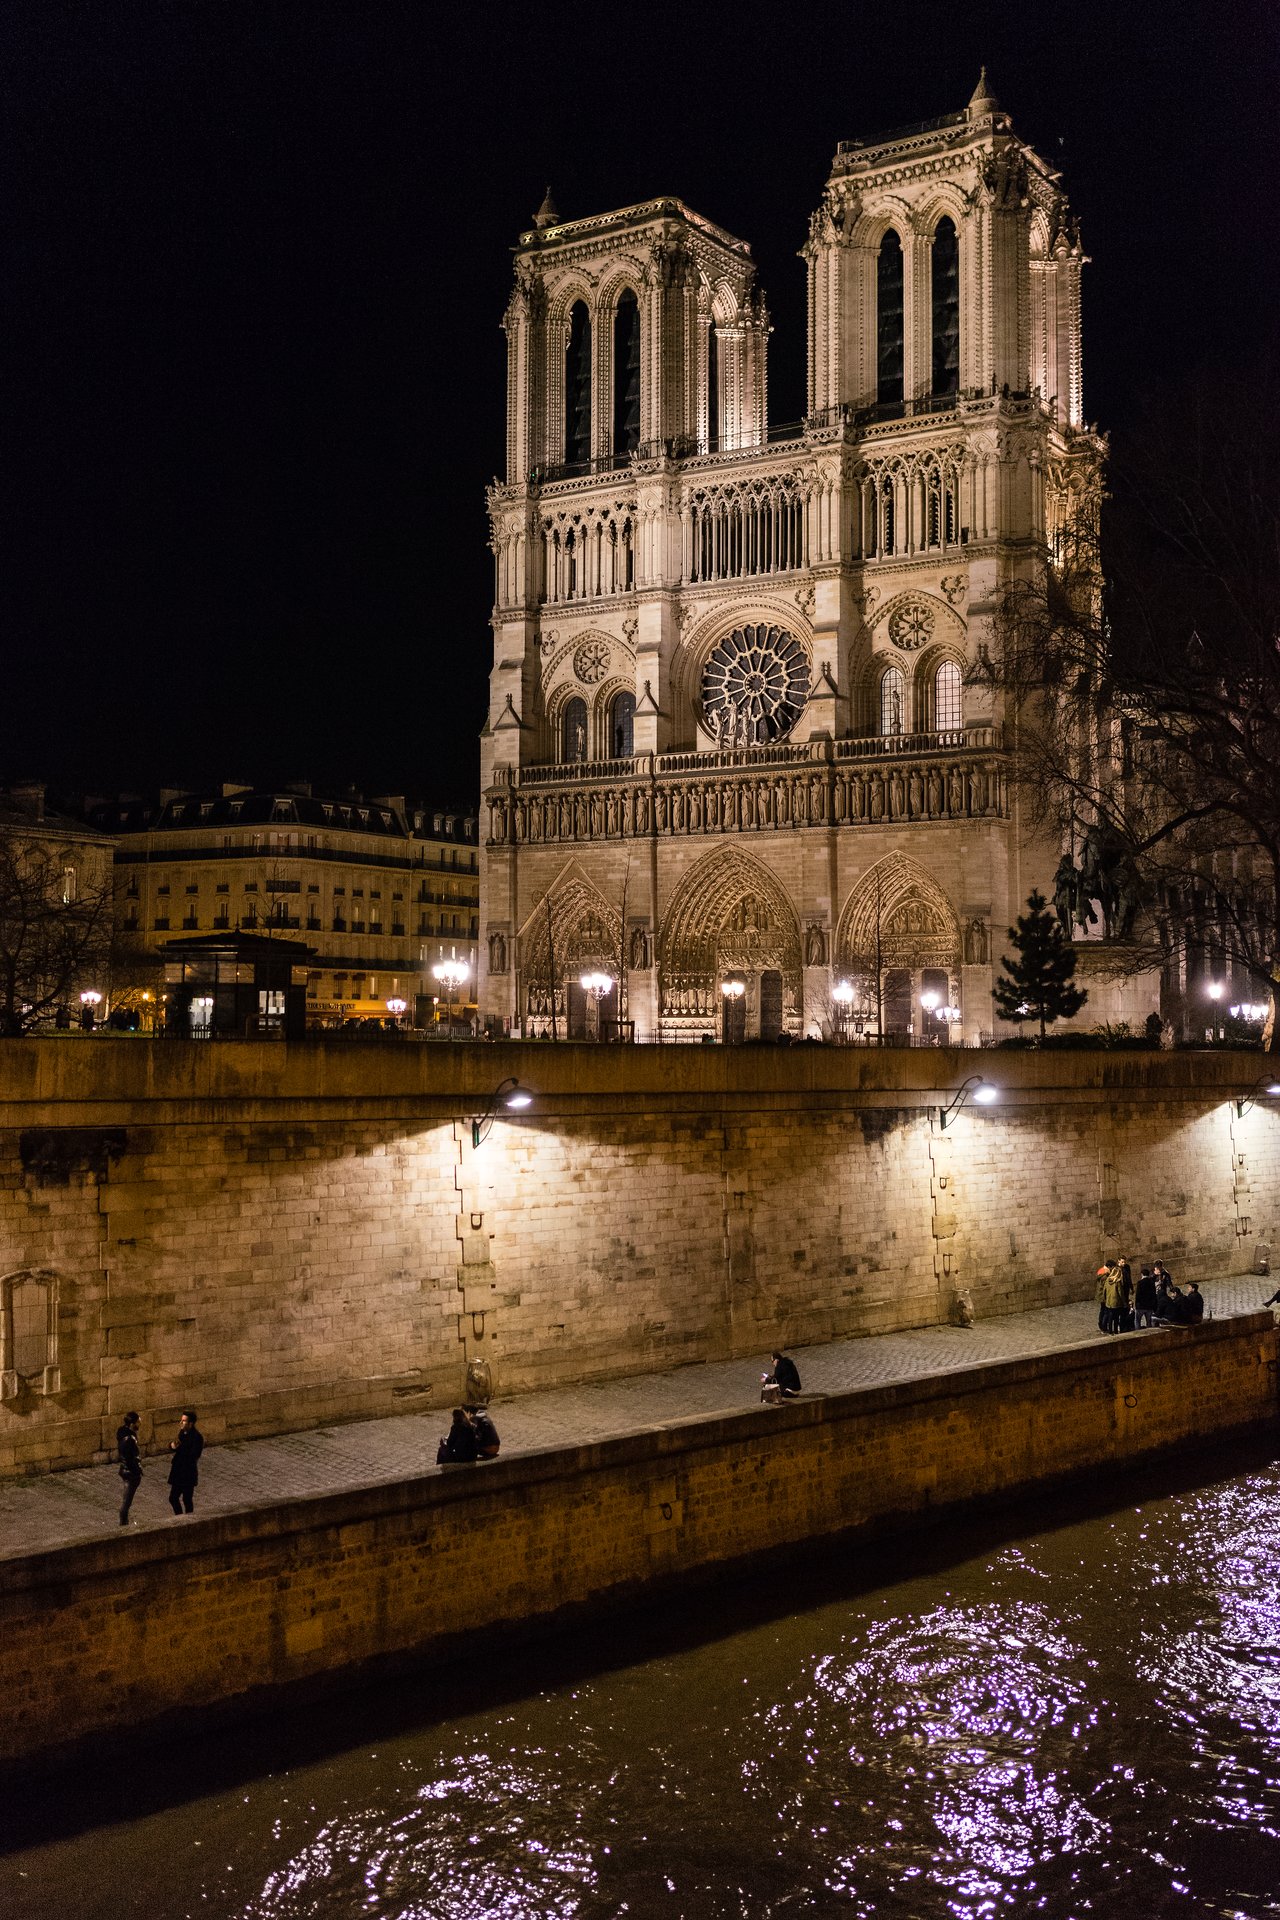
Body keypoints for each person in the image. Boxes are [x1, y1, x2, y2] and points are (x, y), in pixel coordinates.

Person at [167, 1409, 204, 1515]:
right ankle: (180, 1518)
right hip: (178, 1472)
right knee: (173, 1498)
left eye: (183, 1421)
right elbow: (176, 1446)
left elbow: (194, 1456)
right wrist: (172, 1446)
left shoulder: (197, 1438)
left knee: (187, 1500)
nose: (180, 1423)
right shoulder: (182, 1432)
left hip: (187, 1474)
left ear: (190, 1423)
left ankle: (188, 1522)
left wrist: (180, 1448)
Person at [116, 1410, 142, 1525]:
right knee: (126, 1502)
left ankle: (124, 1522)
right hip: (130, 1474)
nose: (140, 1424)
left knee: (127, 1501)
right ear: (132, 1424)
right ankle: (123, 1525)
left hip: (126, 1471)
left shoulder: (124, 1434)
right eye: (138, 1422)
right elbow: (129, 1459)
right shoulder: (129, 1439)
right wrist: (137, 1471)